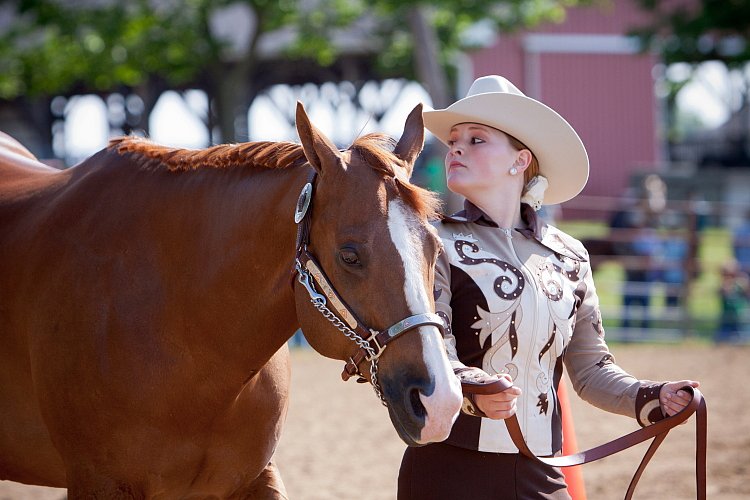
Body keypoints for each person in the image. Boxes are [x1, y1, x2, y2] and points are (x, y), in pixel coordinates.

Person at [397, 75, 700, 500]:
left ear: (520, 161)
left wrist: (652, 397)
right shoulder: (431, 243)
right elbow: (434, 353)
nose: (456, 148)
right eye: (454, 140)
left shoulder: (570, 255)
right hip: (447, 470)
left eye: (477, 139)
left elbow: (592, 371)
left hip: (543, 472)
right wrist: (474, 390)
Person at [716, 259, 750, 343]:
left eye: (732, 274)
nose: (729, 276)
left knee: (743, 338)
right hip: (727, 320)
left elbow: (746, 292)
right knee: (721, 339)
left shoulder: (741, 283)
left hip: (740, 319)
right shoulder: (723, 286)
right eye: (726, 274)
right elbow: (721, 292)